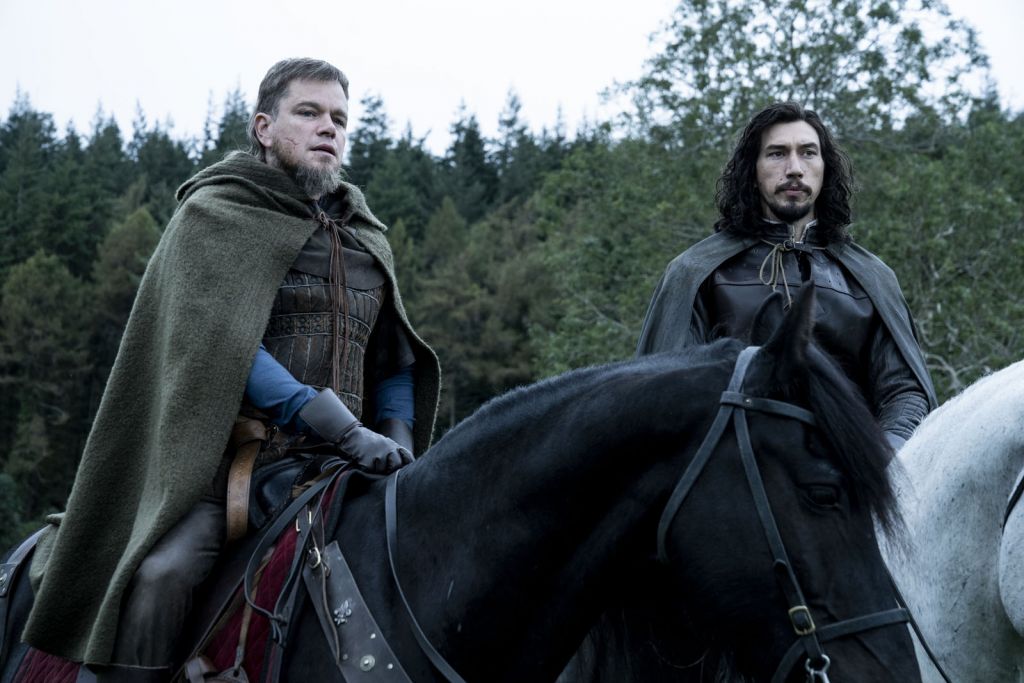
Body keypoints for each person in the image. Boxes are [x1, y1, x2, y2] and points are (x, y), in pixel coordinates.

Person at [21, 58, 440, 682]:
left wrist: (399, 448)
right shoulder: (217, 213)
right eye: (309, 112)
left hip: (351, 468)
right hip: (229, 469)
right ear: (264, 127)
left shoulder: (362, 236)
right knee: (163, 574)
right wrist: (343, 428)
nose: (328, 127)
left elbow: (394, 360)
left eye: (339, 118)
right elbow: (223, 346)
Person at [637, 101, 936, 449]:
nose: (794, 168)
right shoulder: (698, 272)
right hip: (732, 468)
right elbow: (669, 392)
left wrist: (883, 459)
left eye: (808, 153)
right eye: (777, 154)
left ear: (824, 168)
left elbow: (905, 392)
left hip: (849, 470)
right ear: (753, 170)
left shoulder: (870, 277)